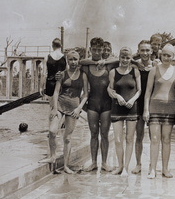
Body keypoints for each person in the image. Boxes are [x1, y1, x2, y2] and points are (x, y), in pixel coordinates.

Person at [143, 44, 175, 179]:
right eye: (164, 55)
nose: (166, 58)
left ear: (173, 57)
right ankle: (152, 169)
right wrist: (146, 110)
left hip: (169, 110)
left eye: (169, 55)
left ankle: (165, 169)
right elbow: (147, 91)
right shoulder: (154, 70)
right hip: (154, 108)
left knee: (166, 139)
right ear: (161, 55)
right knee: (154, 139)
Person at [80, 37, 118, 172]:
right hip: (93, 105)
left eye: (99, 49)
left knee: (105, 134)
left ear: (103, 50)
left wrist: (105, 60)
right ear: (90, 49)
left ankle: (105, 163)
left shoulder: (109, 64)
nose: (96, 52)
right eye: (94, 49)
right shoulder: (86, 66)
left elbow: (119, 59)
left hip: (106, 104)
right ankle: (94, 162)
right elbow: (79, 61)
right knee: (94, 133)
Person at [49, 50, 88, 174]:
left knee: (67, 138)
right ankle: (53, 155)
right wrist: (54, 108)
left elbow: (86, 94)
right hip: (60, 105)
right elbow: (56, 92)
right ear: (67, 60)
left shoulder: (83, 75)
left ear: (78, 60)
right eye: (70, 59)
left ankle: (65, 165)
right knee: (52, 131)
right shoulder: (62, 74)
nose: (73, 62)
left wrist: (79, 108)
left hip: (74, 108)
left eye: (75, 59)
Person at [108, 47, 141, 176]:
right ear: (119, 57)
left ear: (131, 58)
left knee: (129, 138)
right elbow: (110, 90)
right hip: (117, 108)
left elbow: (139, 90)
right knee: (117, 139)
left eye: (128, 58)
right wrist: (118, 96)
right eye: (123, 57)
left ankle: (126, 168)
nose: (125, 60)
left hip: (131, 108)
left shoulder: (135, 72)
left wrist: (132, 100)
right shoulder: (113, 72)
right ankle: (120, 165)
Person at [39, 38, 67, 164]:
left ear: (52, 45)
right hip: (62, 84)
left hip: (50, 84)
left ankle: (53, 130)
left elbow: (44, 74)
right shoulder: (64, 57)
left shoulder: (48, 57)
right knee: (58, 107)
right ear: (60, 46)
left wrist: (41, 87)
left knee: (52, 108)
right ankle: (56, 127)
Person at [131, 40, 154, 174]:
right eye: (142, 50)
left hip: (152, 104)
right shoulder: (135, 67)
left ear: (151, 51)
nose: (145, 53)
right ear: (138, 51)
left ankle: (152, 164)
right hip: (138, 104)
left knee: (153, 137)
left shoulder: (156, 66)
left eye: (147, 50)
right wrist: (136, 60)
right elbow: (122, 57)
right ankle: (138, 164)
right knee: (138, 136)